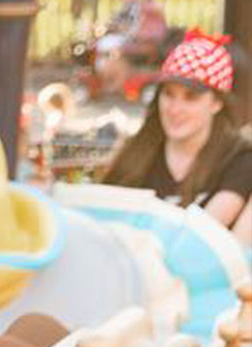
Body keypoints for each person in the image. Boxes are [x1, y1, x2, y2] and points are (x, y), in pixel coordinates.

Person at [99, 33, 252, 228]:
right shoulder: (136, 152)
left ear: (216, 103)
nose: (175, 109)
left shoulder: (240, 159)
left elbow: (204, 233)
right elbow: (103, 213)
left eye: (191, 97)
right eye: (169, 94)